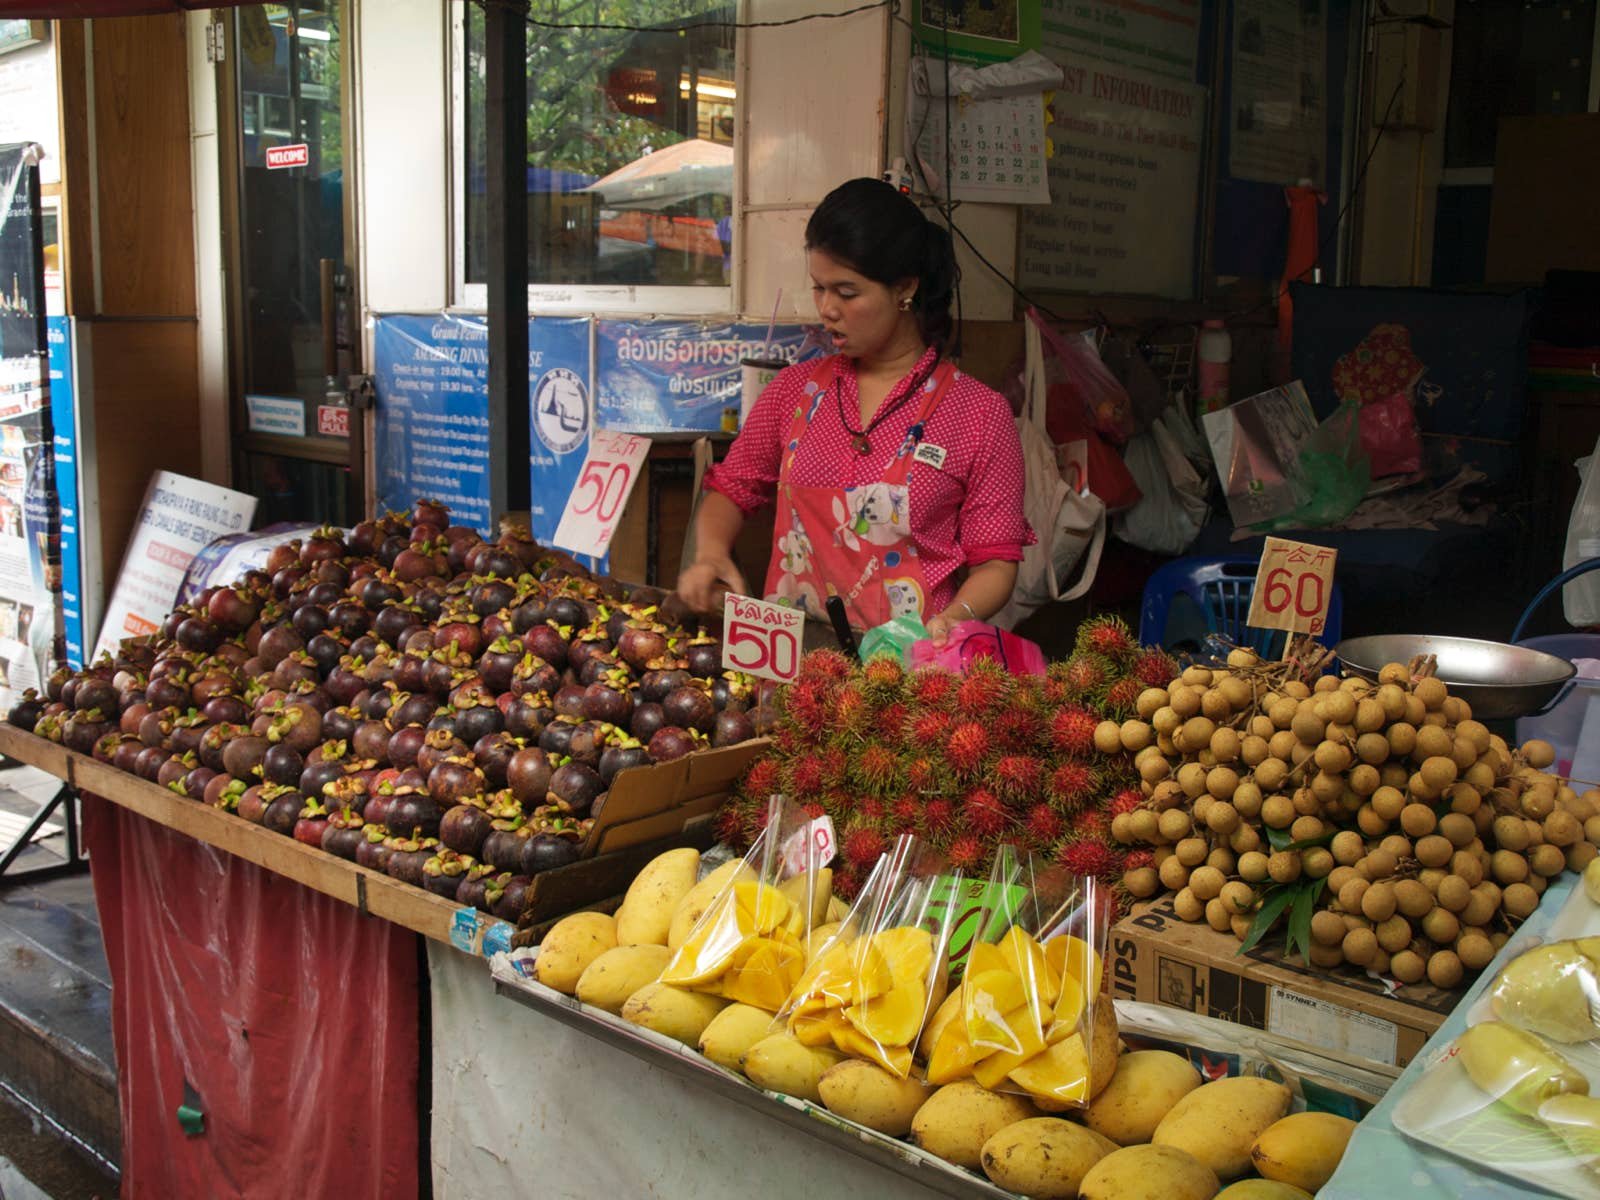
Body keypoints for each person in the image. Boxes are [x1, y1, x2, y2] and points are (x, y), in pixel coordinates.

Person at [676, 177, 1033, 644]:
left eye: (846, 293)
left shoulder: (978, 414)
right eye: (818, 288)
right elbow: (733, 488)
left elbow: (996, 562)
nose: (826, 309)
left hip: (906, 665)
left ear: (904, 289)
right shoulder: (794, 391)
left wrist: (955, 617)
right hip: (786, 658)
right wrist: (710, 552)